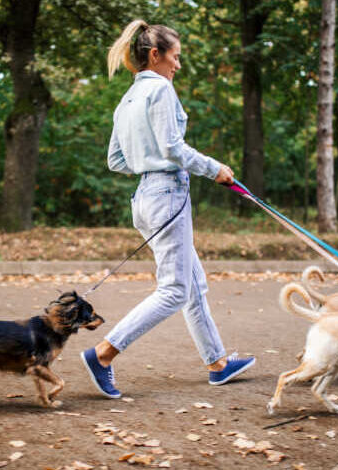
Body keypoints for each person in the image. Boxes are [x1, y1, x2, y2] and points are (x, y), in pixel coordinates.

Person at [80, 19, 255, 398]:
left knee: (193, 284)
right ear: (155, 55)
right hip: (167, 195)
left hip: (144, 198)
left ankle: (218, 363)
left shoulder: (126, 100)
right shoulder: (160, 90)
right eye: (175, 57)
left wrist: (146, 161)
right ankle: (103, 353)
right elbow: (174, 149)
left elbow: (115, 160)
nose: (178, 65)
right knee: (175, 289)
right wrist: (216, 170)